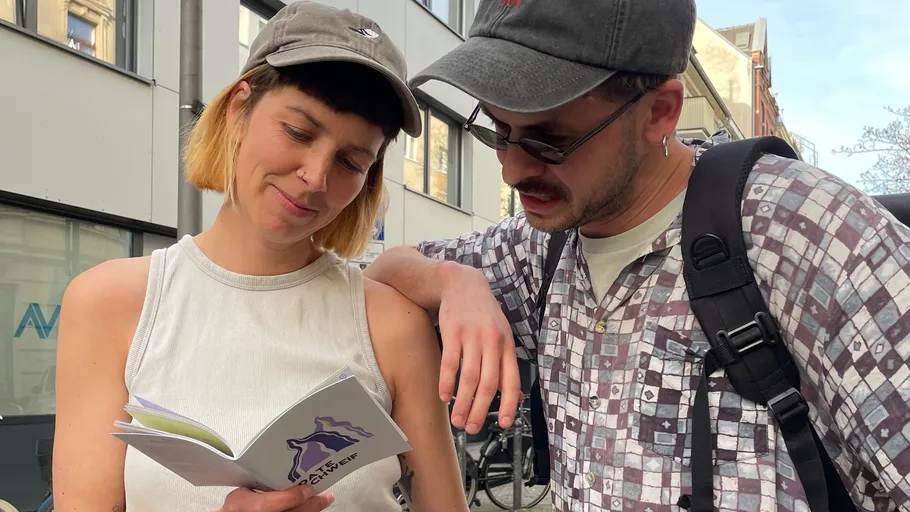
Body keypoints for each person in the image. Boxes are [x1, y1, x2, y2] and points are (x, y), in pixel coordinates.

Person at [363, 0, 910, 510]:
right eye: (498, 132)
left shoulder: (810, 232)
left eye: (549, 140)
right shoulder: (536, 250)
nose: (513, 170)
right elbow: (387, 267)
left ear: (660, 113)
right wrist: (454, 282)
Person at [51, 3, 468, 512]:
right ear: (238, 110)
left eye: (350, 161)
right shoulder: (110, 304)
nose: (316, 175)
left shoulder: (392, 325)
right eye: (298, 132)